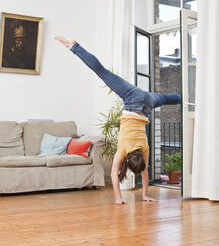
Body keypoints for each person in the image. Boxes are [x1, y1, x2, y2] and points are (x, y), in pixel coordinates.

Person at [55, 36, 181, 205]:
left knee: (165, 99)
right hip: (133, 99)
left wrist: (144, 195)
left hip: (148, 102)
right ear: (128, 161)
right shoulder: (123, 150)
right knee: (103, 73)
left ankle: (183, 98)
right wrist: (118, 198)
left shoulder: (144, 150)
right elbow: (114, 174)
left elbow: (144, 174)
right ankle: (74, 46)